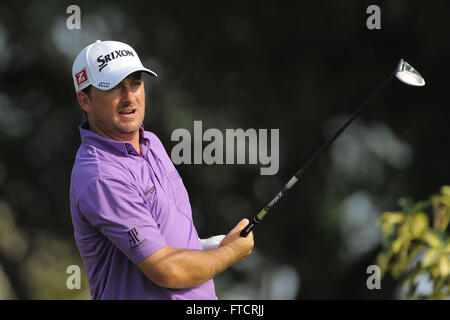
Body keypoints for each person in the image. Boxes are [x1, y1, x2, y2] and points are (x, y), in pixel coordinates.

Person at [69, 40, 254, 300]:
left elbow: (158, 239)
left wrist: (204, 247)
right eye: (112, 86)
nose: (129, 96)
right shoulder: (102, 177)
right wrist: (230, 253)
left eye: (135, 82)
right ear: (85, 100)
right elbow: (167, 270)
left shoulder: (152, 143)